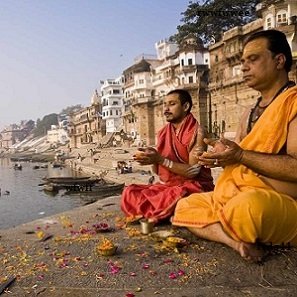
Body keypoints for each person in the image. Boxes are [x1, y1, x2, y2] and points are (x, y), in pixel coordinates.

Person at [172, 29, 297, 262]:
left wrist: (239, 155)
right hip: (238, 193)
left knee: (248, 209)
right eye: (242, 61)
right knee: (185, 205)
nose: (244, 67)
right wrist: (222, 154)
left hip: (280, 202)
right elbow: (241, 157)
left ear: (279, 60)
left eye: (253, 59)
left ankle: (227, 226)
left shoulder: (293, 102)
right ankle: (234, 241)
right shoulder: (249, 113)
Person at [121, 89, 214, 223]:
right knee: (129, 192)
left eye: (172, 104)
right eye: (165, 105)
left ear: (185, 107)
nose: (166, 109)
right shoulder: (163, 133)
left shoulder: (198, 132)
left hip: (195, 186)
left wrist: (159, 159)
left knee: (172, 197)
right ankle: (164, 214)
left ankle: (162, 214)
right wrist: (151, 158)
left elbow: (193, 172)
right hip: (170, 186)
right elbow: (157, 172)